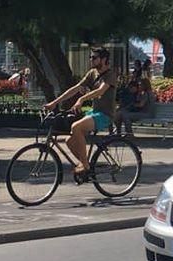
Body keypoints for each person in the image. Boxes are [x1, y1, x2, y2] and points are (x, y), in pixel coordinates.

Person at [44, 47, 119, 181]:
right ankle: (86, 165)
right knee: (69, 140)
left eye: (94, 57)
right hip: (94, 113)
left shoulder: (110, 74)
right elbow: (75, 89)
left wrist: (81, 99)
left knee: (76, 127)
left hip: (105, 115)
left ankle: (85, 165)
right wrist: (54, 102)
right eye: (90, 57)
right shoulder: (92, 73)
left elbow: (100, 91)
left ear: (104, 59)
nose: (91, 60)